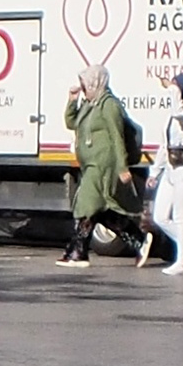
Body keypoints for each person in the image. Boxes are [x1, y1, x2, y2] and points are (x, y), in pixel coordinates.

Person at [63, 68, 139, 265]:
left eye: (86, 84)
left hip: (103, 164)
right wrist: (72, 100)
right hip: (90, 165)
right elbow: (71, 123)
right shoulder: (91, 105)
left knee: (86, 205)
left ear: (97, 82)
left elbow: (117, 136)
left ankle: (78, 253)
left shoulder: (109, 105)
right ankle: (139, 239)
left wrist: (122, 167)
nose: (84, 88)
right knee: (99, 210)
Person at [140, 68, 183, 272]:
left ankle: (182, 262)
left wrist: (172, 89)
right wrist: (155, 172)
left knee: (180, 217)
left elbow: (179, 114)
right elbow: (165, 145)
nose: (173, 88)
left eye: (179, 85)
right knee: (160, 217)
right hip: (170, 170)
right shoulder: (173, 114)